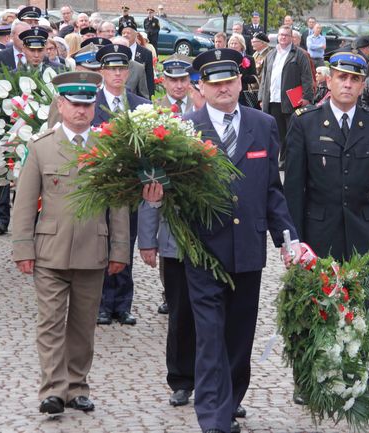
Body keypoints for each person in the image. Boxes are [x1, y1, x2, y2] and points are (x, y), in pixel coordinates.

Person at [142, 48, 302, 433]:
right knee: (210, 334)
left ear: (239, 82)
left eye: (230, 81)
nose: (224, 89)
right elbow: (166, 186)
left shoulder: (263, 125)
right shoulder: (185, 129)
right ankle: (213, 417)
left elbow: (272, 191)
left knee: (238, 335)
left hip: (247, 248)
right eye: (215, 83)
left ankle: (230, 399)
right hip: (203, 251)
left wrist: (288, 239)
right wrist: (157, 195)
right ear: (202, 87)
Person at [12, 71, 129, 415]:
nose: (81, 111)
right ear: (60, 105)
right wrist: (22, 248)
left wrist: (120, 249)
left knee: (82, 324)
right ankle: (52, 390)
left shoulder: (107, 148)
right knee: (49, 323)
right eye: (75, 104)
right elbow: (24, 204)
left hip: (93, 251)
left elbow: (118, 205)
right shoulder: (41, 147)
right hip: (50, 252)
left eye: (87, 105)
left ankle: (77, 386)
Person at [284, 48, 369, 316]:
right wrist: (293, 242)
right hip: (319, 235)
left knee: (363, 311)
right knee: (319, 311)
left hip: (365, 234)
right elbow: (294, 189)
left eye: (354, 79)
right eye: (341, 77)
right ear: (329, 80)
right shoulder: (305, 123)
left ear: (362, 85)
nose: (347, 84)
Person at [137, 55, 197, 407]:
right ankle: (179, 378)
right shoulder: (150, 114)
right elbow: (147, 183)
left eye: (183, 79)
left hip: (205, 228)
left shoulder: (204, 108)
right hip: (171, 228)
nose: (178, 85)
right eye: (172, 80)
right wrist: (147, 239)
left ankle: (209, 376)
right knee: (178, 309)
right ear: (163, 81)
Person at [90, 44, 150, 326]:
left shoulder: (141, 106)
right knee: (102, 245)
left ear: (128, 72)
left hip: (130, 189)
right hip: (101, 188)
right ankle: (102, 303)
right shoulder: (89, 103)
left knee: (126, 244)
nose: (117, 73)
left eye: (121, 68)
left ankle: (123, 304)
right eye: (111, 68)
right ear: (102, 72)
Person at [259, 25, 313, 167]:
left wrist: (307, 97)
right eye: (281, 34)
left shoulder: (299, 54)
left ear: (291, 38)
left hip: (291, 101)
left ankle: (287, 161)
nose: (283, 37)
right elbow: (264, 77)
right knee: (276, 133)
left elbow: (307, 77)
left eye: (286, 35)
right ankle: (277, 160)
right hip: (272, 100)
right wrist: (260, 97)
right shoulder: (271, 54)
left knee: (290, 134)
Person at [119, 20, 155, 97]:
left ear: (136, 34)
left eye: (128, 33)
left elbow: (149, 78)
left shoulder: (146, 53)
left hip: (138, 95)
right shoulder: (116, 51)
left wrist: (150, 98)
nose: (125, 35)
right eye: (123, 33)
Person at [228, 33, 258, 108]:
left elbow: (254, 78)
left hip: (244, 95)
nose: (233, 46)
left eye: (235, 43)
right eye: (231, 43)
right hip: (229, 93)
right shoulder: (227, 59)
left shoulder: (249, 59)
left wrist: (240, 77)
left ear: (241, 45)